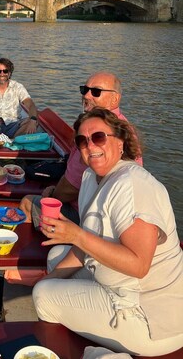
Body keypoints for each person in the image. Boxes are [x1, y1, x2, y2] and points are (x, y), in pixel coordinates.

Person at [32, 108, 183, 356]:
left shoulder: (134, 185)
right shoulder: (92, 176)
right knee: (56, 256)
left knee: (42, 296)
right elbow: (84, 246)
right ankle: (88, 326)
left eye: (99, 137)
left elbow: (138, 265)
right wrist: (52, 276)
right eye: (82, 140)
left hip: (150, 315)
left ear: (121, 141)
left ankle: (98, 352)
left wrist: (76, 235)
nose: (90, 145)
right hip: (118, 284)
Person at [20, 72, 143, 226]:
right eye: (84, 90)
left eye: (96, 92)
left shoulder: (93, 131)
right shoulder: (124, 125)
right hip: (107, 212)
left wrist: (52, 194)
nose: (87, 95)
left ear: (115, 98)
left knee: (27, 203)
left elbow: (71, 187)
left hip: (89, 216)